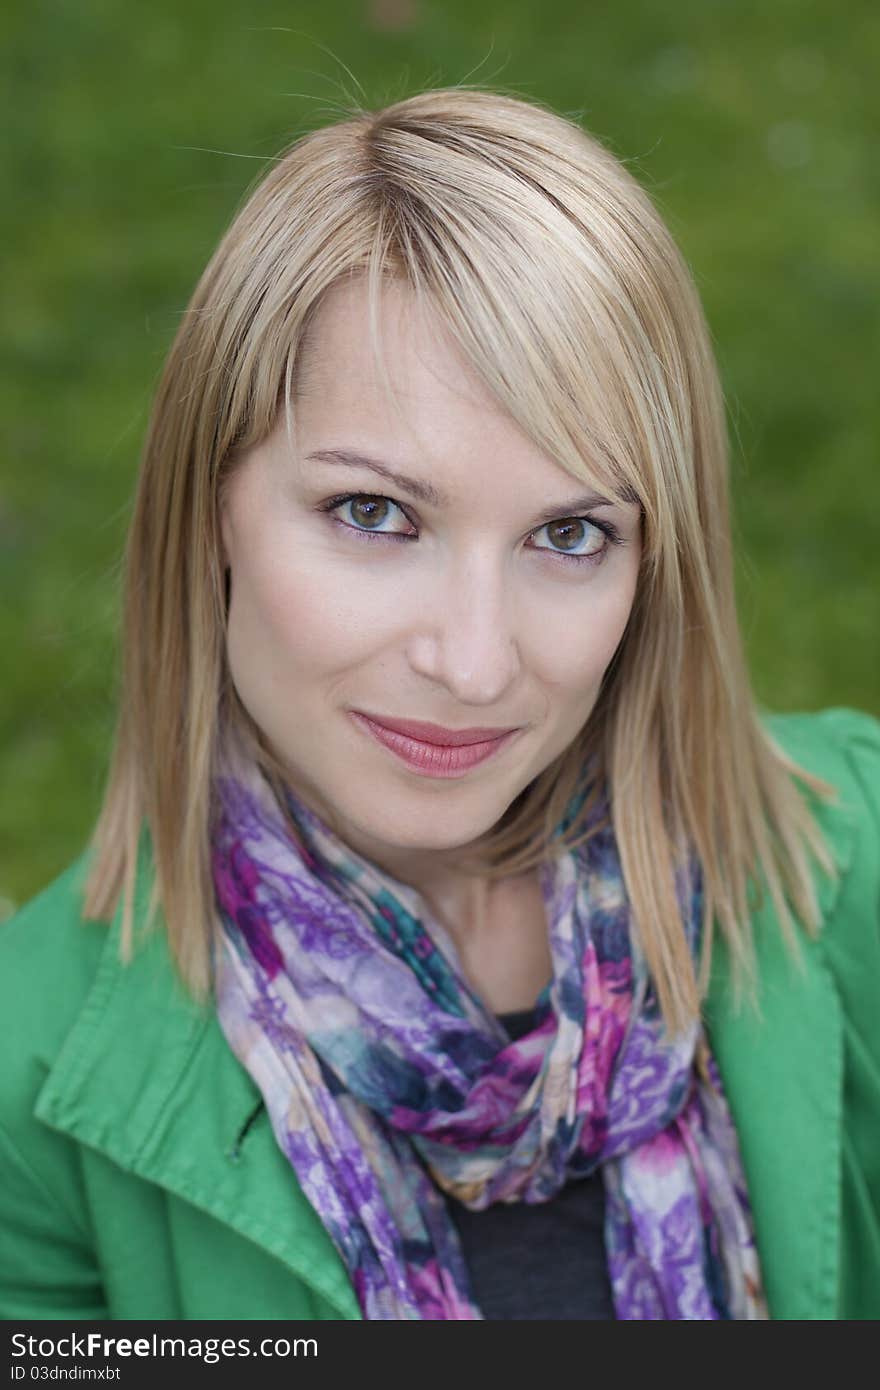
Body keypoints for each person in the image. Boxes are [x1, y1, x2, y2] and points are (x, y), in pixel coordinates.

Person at [1, 86, 878, 1323]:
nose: (474, 664)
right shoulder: (26, 1080)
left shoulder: (856, 870)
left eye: (570, 533)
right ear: (210, 507)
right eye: (375, 514)